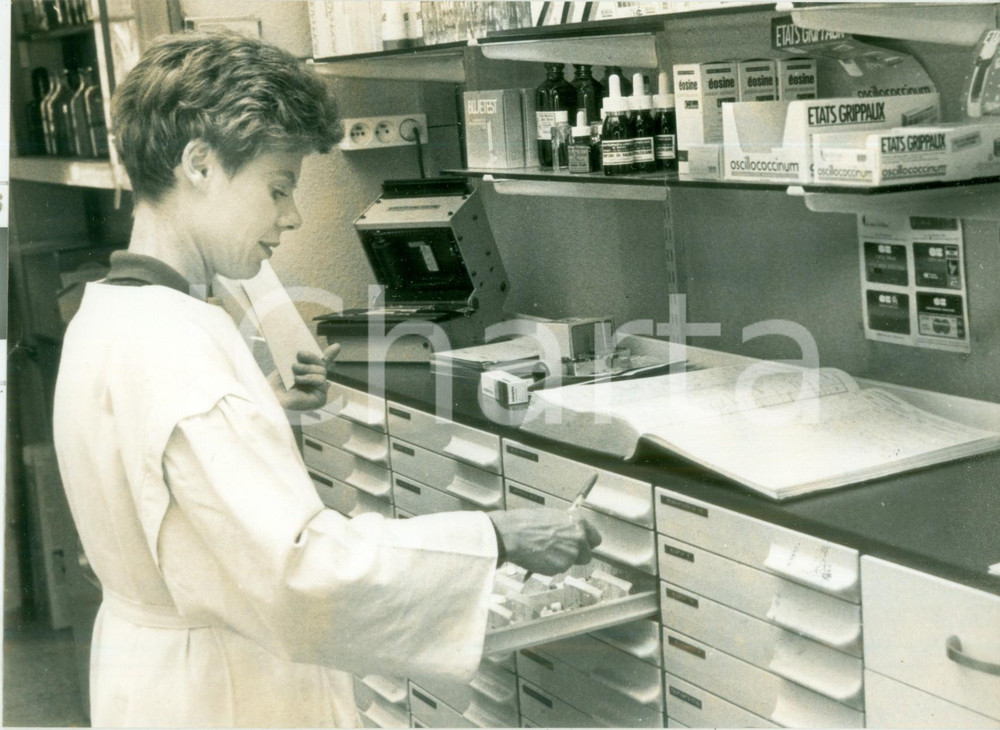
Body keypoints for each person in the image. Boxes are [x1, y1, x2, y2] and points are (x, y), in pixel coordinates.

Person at [52, 32, 601, 728]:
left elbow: (161, 483)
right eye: (278, 186)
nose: (293, 215)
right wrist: (497, 535)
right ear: (199, 164)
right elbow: (302, 574)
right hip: (223, 693)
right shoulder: (178, 350)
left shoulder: (107, 314)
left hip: (152, 675)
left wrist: (260, 411)